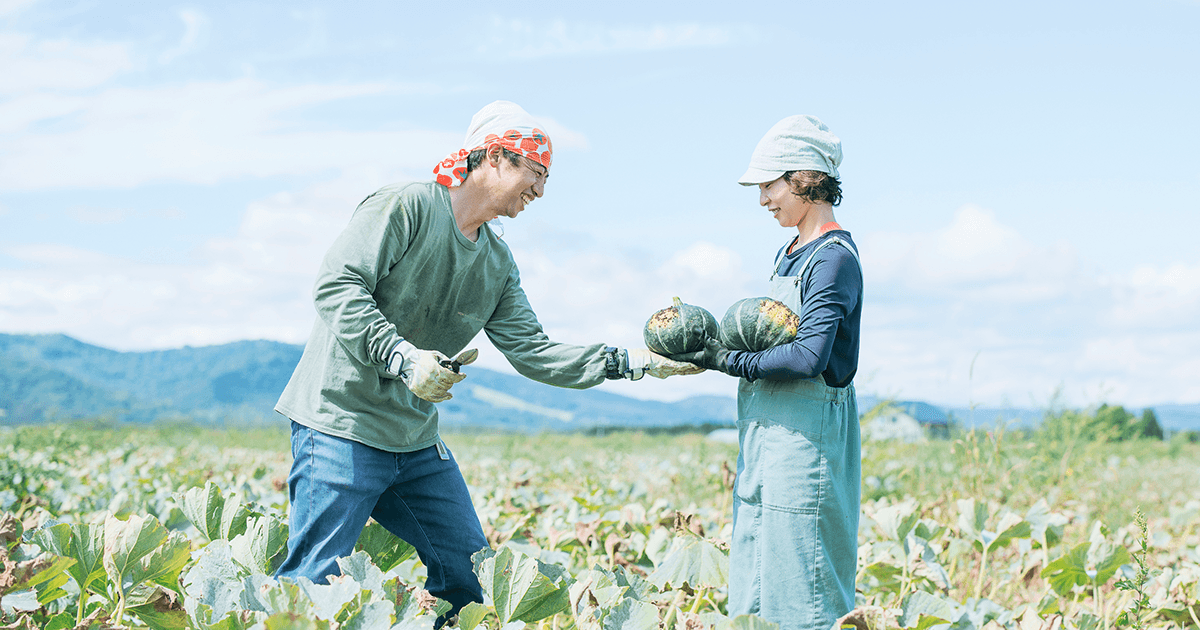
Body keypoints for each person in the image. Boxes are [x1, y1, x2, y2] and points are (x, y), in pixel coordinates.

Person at [273, 101, 699, 621]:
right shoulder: (406, 206)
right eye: (535, 173)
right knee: (313, 585)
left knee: (473, 576)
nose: (540, 190)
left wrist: (634, 361)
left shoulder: (497, 262)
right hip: (340, 423)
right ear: (495, 157)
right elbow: (337, 285)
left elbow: (535, 352)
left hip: (413, 441)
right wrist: (403, 357)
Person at [670, 115, 863, 630]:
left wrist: (723, 360)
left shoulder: (833, 258)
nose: (763, 200)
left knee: (806, 580)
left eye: (769, 186)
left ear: (804, 179)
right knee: (757, 570)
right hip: (766, 434)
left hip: (808, 438)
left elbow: (807, 358)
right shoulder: (789, 254)